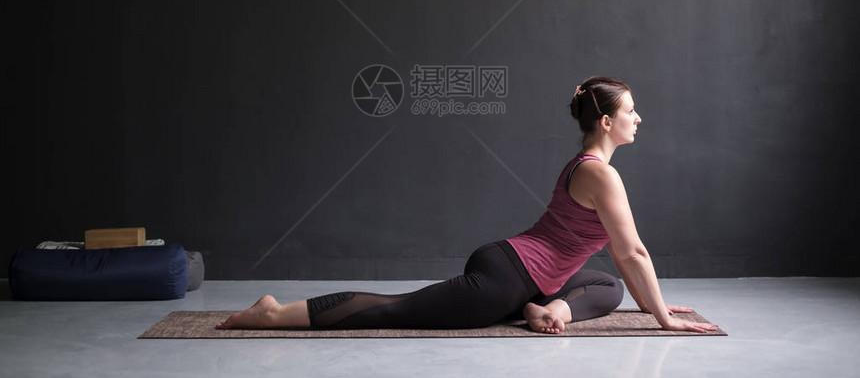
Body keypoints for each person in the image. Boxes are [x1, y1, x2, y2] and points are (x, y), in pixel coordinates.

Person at [217, 76, 718, 334]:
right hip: (505, 277)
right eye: (630, 111)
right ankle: (274, 313)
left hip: (527, 269)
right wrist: (663, 319)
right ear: (606, 121)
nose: (638, 119)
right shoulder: (600, 173)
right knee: (398, 310)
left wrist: (651, 302)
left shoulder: (589, 166)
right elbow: (633, 253)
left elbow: (620, 264)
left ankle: (546, 310)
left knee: (606, 287)